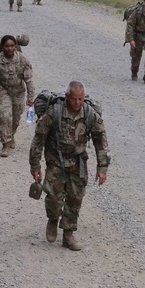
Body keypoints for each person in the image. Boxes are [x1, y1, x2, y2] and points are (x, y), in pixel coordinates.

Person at [29, 81, 109, 251]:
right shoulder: (54, 112)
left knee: (75, 198)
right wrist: (35, 165)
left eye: (80, 99)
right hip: (56, 160)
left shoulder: (89, 115)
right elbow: (38, 139)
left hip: (78, 162)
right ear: (67, 98)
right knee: (53, 196)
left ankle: (68, 234)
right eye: (74, 99)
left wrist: (102, 169)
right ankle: (53, 218)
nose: (77, 103)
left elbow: (101, 142)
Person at [0, 35, 35, 157]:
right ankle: (5, 144)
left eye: (12, 46)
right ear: (2, 47)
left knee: (16, 118)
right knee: (5, 116)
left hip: (18, 91)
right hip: (2, 91)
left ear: (16, 47)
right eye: (6, 46)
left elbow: (29, 79)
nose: (9, 48)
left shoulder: (23, 60)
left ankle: (11, 134)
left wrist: (30, 97)